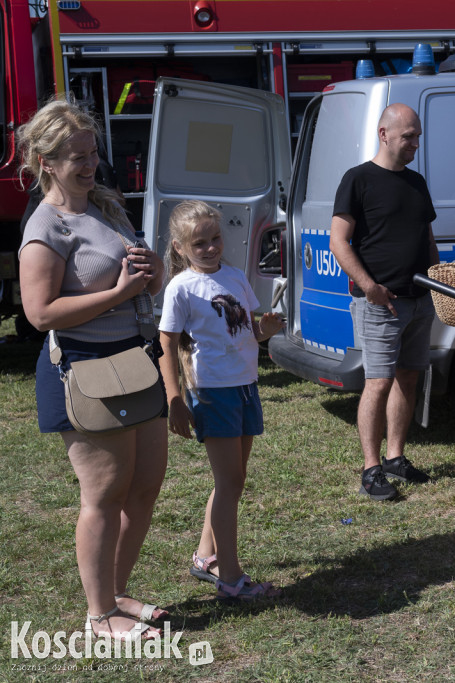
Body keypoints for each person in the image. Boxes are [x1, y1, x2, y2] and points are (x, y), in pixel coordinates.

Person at [17, 98, 168, 640]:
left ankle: (117, 592)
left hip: (136, 359)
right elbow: (39, 314)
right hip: (83, 370)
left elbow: (143, 282)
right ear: (44, 162)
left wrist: (151, 275)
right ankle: (99, 616)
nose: (89, 165)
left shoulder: (105, 205)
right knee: (103, 496)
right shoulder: (45, 228)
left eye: (92, 152)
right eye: (75, 157)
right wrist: (119, 291)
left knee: (145, 486)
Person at [158, 200, 285, 600]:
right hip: (212, 392)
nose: (212, 247)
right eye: (200, 243)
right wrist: (174, 398)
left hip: (245, 385)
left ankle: (204, 556)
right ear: (179, 247)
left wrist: (265, 328)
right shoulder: (181, 288)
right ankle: (230, 579)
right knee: (229, 482)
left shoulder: (234, 276)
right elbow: (166, 344)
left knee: (232, 479)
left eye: (216, 238)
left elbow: (251, 330)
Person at [329, 103, 439, 501]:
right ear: (384, 134)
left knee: (409, 376)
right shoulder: (358, 179)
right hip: (379, 302)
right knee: (378, 382)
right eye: (408, 135)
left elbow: (426, 237)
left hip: (418, 298)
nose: (414, 143)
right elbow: (338, 240)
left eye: (417, 136)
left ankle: (395, 457)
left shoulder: (416, 182)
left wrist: (436, 279)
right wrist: (369, 286)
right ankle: (370, 469)